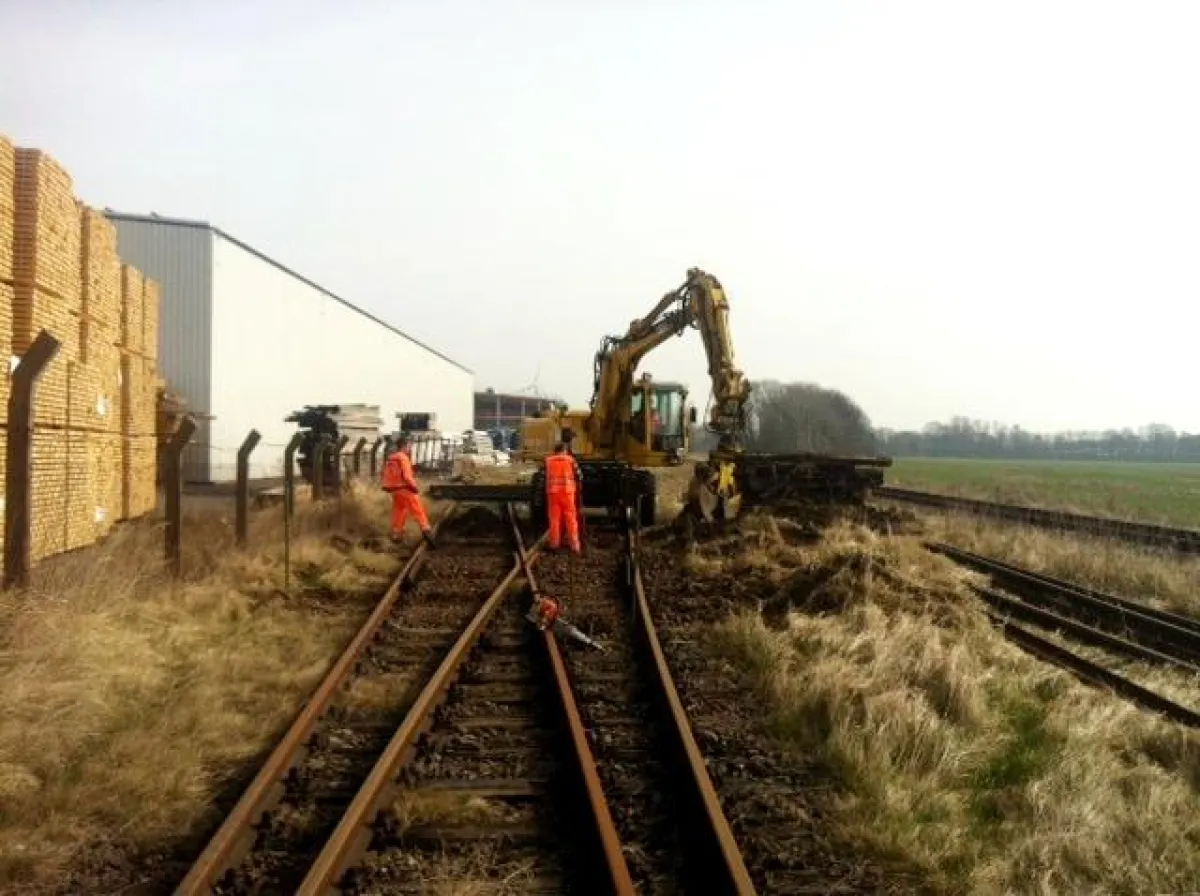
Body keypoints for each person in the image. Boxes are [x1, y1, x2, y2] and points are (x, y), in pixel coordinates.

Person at [381, 435, 436, 548]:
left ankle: (396, 534)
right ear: (404, 446)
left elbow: (386, 474)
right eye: (409, 445)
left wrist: (387, 486)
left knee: (399, 511)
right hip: (405, 488)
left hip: (394, 490)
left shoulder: (391, 458)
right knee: (417, 509)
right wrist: (414, 486)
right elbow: (407, 476)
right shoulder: (403, 458)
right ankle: (427, 531)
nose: (410, 448)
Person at [544, 441, 582, 554]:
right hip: (568, 493)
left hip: (553, 494)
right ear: (564, 450)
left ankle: (554, 544)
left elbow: (544, 476)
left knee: (554, 519)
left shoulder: (548, 461)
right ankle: (574, 546)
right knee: (571, 518)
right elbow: (579, 475)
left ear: (555, 451)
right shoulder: (570, 460)